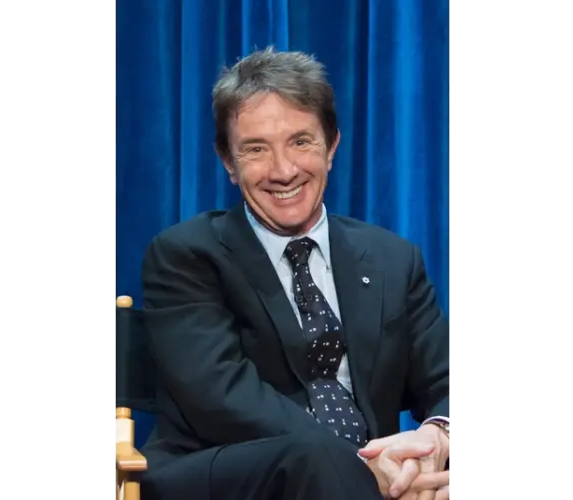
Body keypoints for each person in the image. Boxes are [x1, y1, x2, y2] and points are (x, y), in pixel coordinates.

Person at [139, 47, 451, 500]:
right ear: (228, 161)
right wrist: (362, 467)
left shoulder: (391, 258)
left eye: (301, 142)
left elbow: (443, 380)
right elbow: (221, 399)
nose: (283, 171)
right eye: (256, 149)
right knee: (312, 459)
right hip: (227, 472)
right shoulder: (186, 255)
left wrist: (434, 443)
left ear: (332, 146)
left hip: (376, 476)